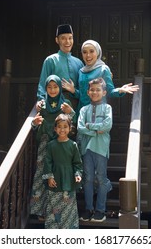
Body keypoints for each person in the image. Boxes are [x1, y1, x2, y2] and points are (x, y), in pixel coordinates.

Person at [30, 75, 75, 221]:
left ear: (60, 88)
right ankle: (39, 210)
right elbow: (35, 124)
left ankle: (55, 211)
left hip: (59, 145)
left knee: (56, 175)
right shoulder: (42, 105)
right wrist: (35, 123)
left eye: (55, 87)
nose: (52, 90)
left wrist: (70, 112)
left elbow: (72, 122)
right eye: (49, 87)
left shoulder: (65, 104)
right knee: (42, 174)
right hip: (44, 144)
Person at [62, 39, 139, 116]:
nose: (88, 55)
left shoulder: (103, 69)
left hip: (98, 114)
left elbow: (110, 91)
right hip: (82, 113)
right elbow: (83, 96)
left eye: (91, 51)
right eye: (85, 52)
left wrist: (121, 90)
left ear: (98, 52)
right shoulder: (81, 71)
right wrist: (73, 90)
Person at [77, 77, 112, 222]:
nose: (95, 92)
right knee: (88, 178)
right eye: (92, 89)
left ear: (104, 92)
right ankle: (88, 208)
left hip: (101, 148)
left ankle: (100, 210)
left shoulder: (107, 108)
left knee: (101, 178)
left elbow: (107, 125)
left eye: (98, 90)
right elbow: (80, 127)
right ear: (88, 92)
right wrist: (95, 131)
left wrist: (90, 126)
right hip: (86, 148)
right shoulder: (84, 109)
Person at [42, 114, 83, 229]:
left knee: (68, 206)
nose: (62, 129)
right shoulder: (51, 145)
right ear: (55, 129)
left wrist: (77, 174)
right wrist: (49, 177)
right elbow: (48, 162)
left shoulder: (73, 145)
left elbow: (77, 163)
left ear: (70, 129)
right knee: (53, 205)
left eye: (65, 126)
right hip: (55, 178)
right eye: (59, 126)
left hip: (68, 180)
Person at [36, 24, 84, 111]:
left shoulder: (79, 63)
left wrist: (74, 90)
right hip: (55, 104)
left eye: (70, 38)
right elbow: (43, 84)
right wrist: (41, 101)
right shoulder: (50, 60)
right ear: (57, 40)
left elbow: (84, 87)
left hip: (75, 105)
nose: (67, 41)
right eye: (63, 38)